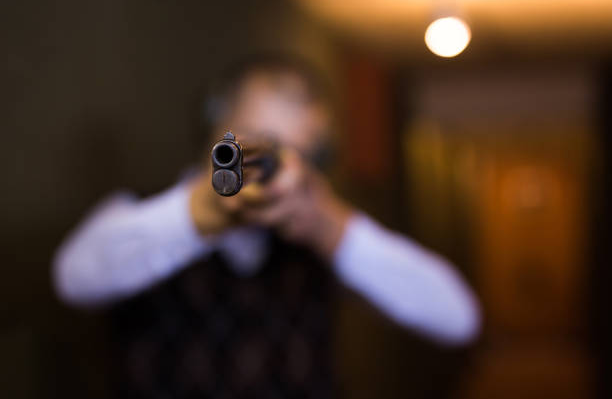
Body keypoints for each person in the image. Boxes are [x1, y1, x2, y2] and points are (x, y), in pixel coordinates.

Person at [53, 54, 480, 398]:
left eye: (300, 153)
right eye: (255, 138)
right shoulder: (139, 210)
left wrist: (327, 226)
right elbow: (74, 278)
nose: (274, 167)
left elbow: (456, 317)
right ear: (212, 127)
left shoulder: (314, 234)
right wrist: (201, 215)